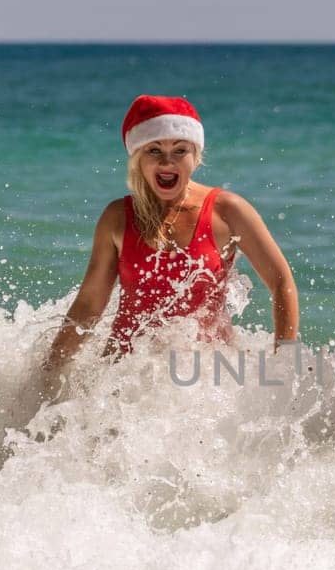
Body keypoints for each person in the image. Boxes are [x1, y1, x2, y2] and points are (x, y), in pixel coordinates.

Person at [44, 95, 298, 386]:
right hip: (124, 375)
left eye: (180, 150)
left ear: (196, 157)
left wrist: (283, 365)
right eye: (154, 150)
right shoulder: (117, 218)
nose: (167, 161)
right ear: (138, 159)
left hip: (208, 376)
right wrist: (50, 369)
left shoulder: (227, 211)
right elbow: (89, 303)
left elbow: (281, 282)